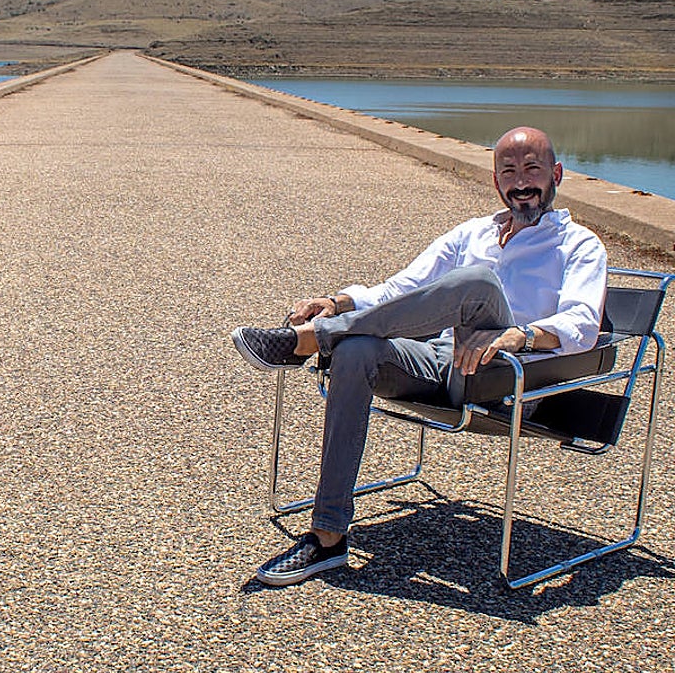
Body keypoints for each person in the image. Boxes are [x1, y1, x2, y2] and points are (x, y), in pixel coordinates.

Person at [231, 126, 607, 586]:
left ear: (556, 174)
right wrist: (339, 302)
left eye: (532, 168)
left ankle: (306, 342)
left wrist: (520, 335)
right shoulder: (472, 233)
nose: (521, 180)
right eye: (509, 170)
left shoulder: (579, 245)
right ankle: (328, 536)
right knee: (356, 352)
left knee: (477, 284)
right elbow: (401, 289)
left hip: (507, 378)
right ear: (496, 181)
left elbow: (584, 324)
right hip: (443, 363)